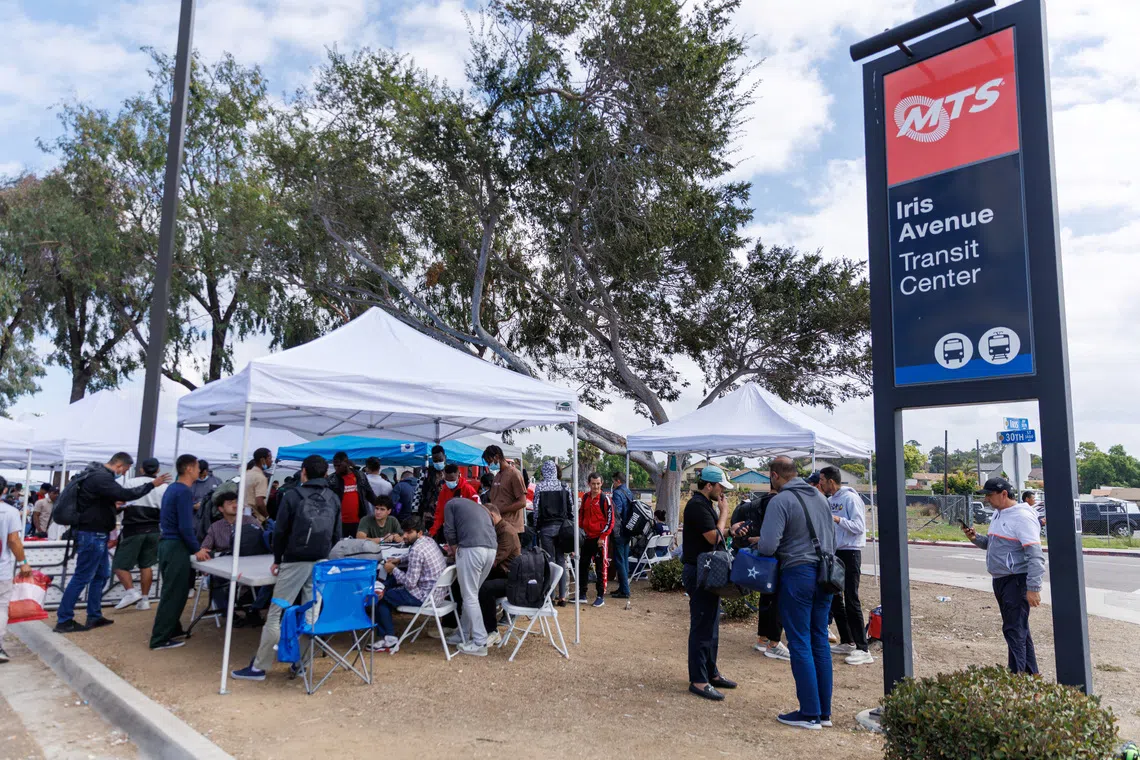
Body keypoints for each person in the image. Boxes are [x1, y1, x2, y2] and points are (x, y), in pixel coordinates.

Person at [232, 455, 342, 681]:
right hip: (321, 560)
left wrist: (278, 559)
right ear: (325, 474)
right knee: (310, 614)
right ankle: (301, 664)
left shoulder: (292, 496)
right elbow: (336, 535)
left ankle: (259, 667)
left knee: (276, 612)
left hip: (294, 560)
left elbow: (280, 532)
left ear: (303, 472)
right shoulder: (333, 498)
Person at [755, 456, 836, 730]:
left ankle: (809, 713)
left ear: (774, 475)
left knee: (799, 641)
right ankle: (824, 713)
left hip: (798, 574)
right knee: (819, 641)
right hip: (826, 574)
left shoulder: (781, 501)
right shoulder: (820, 497)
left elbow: (767, 546)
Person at [54, 453, 170, 634]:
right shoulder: (101, 477)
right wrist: (151, 485)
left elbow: (106, 501)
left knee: (101, 575)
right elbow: (126, 494)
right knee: (82, 576)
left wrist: (113, 508)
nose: (122, 475)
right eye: (123, 471)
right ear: (121, 466)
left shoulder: (97, 476)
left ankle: (94, 615)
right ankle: (64, 619)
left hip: (96, 533)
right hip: (92, 534)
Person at [962, 478, 1045, 675]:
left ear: (1004, 494)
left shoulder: (1022, 517)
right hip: (1001, 579)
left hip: (1015, 580)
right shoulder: (999, 514)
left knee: (1013, 631)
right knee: (1020, 631)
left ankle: (1015, 680)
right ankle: (1030, 675)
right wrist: (976, 538)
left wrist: (1033, 588)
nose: (987, 500)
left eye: (990, 495)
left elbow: (1035, 555)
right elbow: (994, 544)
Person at [680, 464, 737, 701]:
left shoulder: (705, 505)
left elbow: (718, 533)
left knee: (711, 625)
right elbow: (714, 536)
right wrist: (724, 514)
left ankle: (710, 672)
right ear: (709, 485)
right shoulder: (697, 506)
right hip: (699, 571)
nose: (723, 493)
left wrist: (731, 530)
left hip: (706, 570)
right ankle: (699, 680)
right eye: (721, 487)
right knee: (703, 626)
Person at [819, 466, 873, 666]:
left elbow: (859, 527)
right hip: (835, 553)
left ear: (831, 481)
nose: (820, 483)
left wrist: (837, 519)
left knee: (851, 599)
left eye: (822, 480)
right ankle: (848, 641)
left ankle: (863, 648)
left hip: (850, 552)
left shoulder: (850, 499)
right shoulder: (830, 501)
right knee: (835, 598)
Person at [371, 515, 448, 654]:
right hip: (438, 594)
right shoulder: (428, 541)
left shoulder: (416, 551)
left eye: (409, 532)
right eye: (404, 532)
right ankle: (381, 585)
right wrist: (399, 560)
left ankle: (389, 640)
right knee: (395, 577)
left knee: (382, 598)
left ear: (418, 533)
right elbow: (412, 556)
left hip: (425, 597)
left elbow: (410, 583)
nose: (405, 536)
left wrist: (393, 569)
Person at [149, 455, 203, 650]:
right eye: (197, 467)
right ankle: (160, 638)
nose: (200, 470)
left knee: (174, 590)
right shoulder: (183, 492)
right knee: (174, 593)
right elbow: (185, 526)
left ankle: (172, 628)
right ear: (189, 468)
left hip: (168, 544)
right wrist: (197, 549)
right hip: (176, 546)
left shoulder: (173, 489)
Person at [731, 489, 790, 662]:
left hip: (762, 557)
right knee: (777, 599)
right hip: (775, 555)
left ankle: (763, 639)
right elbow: (776, 534)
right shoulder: (779, 503)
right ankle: (773, 643)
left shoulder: (759, 503)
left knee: (766, 597)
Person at [195, 491, 263, 626]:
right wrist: (203, 553)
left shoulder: (251, 521)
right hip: (226, 567)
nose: (235, 505)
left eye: (237, 502)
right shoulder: (215, 527)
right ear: (221, 509)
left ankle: (254, 609)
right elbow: (205, 548)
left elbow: (263, 540)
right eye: (230, 503)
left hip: (251, 564)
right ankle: (228, 613)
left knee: (266, 581)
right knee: (213, 579)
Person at [112, 458, 169, 612]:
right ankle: (145, 599)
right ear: (157, 470)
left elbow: (120, 502)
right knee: (147, 564)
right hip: (154, 529)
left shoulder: (131, 482)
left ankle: (131, 592)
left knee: (119, 564)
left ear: (142, 469)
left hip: (133, 528)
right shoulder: (164, 487)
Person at [442, 497, 497, 656]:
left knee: (469, 596)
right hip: (491, 550)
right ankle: (463, 634)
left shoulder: (450, 504)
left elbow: (449, 531)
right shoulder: (479, 508)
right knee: (472, 594)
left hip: (472, 549)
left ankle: (480, 642)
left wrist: (453, 550)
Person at [1, 476, 34, 663]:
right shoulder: (10, 512)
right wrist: (23, 562)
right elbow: (13, 540)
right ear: (5, 490)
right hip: (1, 570)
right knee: (0, 607)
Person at [477, 504, 521, 642]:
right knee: (465, 581)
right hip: (501, 572)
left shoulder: (505, 532)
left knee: (485, 589)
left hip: (510, 577)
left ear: (492, 516)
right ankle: (455, 624)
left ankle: (492, 631)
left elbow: (494, 560)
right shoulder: (497, 529)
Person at [533, 460, 571, 605]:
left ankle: (551, 596)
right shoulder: (564, 486)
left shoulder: (540, 487)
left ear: (544, 472)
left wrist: (536, 526)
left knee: (549, 562)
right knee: (562, 560)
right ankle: (563, 596)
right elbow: (571, 507)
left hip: (546, 528)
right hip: (562, 528)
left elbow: (536, 510)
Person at [577, 473, 614, 607]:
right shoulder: (586, 497)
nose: (596, 486)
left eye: (598, 483)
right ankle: (582, 594)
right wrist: (580, 532)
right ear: (589, 484)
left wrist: (603, 537)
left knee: (600, 568)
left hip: (599, 539)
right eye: (593, 484)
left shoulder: (605, 499)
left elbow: (610, 521)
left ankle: (600, 596)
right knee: (583, 566)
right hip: (586, 538)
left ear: (602, 483)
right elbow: (581, 516)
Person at [328, 452, 378, 540]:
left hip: (359, 522)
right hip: (339, 523)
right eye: (335, 466)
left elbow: (370, 495)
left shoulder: (360, 476)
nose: (336, 468)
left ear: (346, 462)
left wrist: (382, 506)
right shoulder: (331, 480)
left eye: (339, 465)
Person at [483, 445, 527, 542]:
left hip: (512, 527)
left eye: (489, 461)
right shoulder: (497, 476)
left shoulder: (514, 474)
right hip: (499, 526)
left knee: (511, 557)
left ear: (497, 457)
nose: (489, 464)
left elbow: (522, 502)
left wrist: (501, 509)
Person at [429, 464, 479, 537]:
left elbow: (477, 509)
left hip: (467, 528)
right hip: (451, 530)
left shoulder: (468, 489)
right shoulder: (444, 491)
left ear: (458, 475)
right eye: (447, 479)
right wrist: (432, 531)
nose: (449, 482)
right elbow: (440, 514)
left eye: (452, 479)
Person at [610, 472, 635, 600]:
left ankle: (625, 590)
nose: (613, 484)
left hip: (619, 531)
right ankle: (622, 587)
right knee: (624, 559)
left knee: (619, 560)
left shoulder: (617, 493)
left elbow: (616, 512)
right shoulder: (628, 492)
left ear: (618, 481)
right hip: (628, 530)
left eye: (613, 481)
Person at [416, 445, 448, 524]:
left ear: (445, 457)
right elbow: (418, 491)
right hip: (428, 513)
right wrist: (415, 511)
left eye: (440, 460)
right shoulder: (426, 471)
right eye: (435, 461)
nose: (437, 463)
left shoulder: (450, 472)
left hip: (446, 513)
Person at [244, 448, 273, 524]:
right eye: (270, 458)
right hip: (255, 519)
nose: (271, 461)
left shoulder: (246, 474)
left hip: (243, 516)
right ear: (263, 460)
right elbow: (260, 503)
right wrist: (267, 517)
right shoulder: (261, 477)